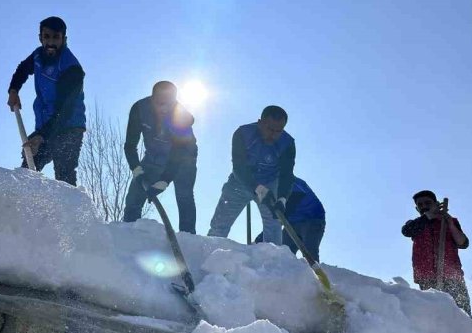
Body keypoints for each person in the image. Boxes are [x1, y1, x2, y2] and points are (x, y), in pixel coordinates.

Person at [7, 16, 86, 186]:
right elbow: (23, 69)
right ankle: (22, 204)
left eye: (56, 37)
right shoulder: (37, 56)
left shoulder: (71, 68)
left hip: (68, 127)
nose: (51, 42)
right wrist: (14, 90)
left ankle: (69, 209)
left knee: (64, 176)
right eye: (47, 37)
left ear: (64, 39)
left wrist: (41, 136)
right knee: (29, 165)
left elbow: (64, 110)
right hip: (46, 125)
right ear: (40, 38)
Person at [208, 106, 295, 245]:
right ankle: (209, 250)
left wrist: (282, 199)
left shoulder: (288, 144)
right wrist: (258, 189)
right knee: (220, 223)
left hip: (269, 185)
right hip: (240, 182)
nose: (273, 135)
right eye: (270, 129)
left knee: (274, 223)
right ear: (260, 123)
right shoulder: (242, 134)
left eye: (278, 131)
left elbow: (287, 174)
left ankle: (273, 261)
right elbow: (239, 168)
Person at [123, 81, 198, 232]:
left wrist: (164, 181)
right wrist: (136, 169)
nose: (163, 108)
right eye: (160, 103)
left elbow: (179, 154)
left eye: (168, 104)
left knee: (184, 196)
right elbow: (130, 145)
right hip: (153, 157)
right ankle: (128, 232)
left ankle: (188, 237)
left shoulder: (180, 116)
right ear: (152, 98)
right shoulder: (139, 109)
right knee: (134, 196)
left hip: (184, 159)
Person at [401, 190, 472, 316]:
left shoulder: (450, 222)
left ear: (436, 203)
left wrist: (450, 223)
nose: (424, 206)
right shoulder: (415, 224)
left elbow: (463, 243)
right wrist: (428, 216)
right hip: (427, 279)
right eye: (420, 205)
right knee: (435, 317)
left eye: (427, 203)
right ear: (417, 208)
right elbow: (406, 231)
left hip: (452, 277)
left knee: (462, 315)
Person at [253, 175, 326, 260]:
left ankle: (315, 271)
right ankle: (286, 272)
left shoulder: (292, 185)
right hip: (293, 223)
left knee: (310, 252)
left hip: (312, 220)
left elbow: (281, 217)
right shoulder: (274, 188)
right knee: (285, 252)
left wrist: (259, 239)